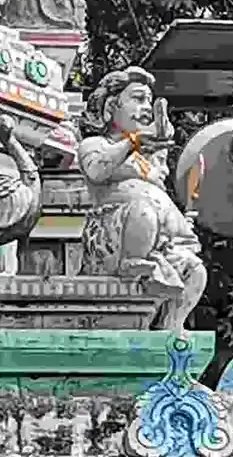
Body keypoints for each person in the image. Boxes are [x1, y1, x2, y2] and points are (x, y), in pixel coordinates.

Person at [77, 64, 206, 330]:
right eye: (137, 99)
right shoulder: (95, 145)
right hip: (115, 240)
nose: (146, 107)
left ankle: (172, 327)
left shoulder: (150, 158)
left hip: (160, 243)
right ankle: (134, 264)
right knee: (142, 209)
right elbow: (97, 170)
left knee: (197, 272)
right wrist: (133, 141)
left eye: (148, 100)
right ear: (111, 107)